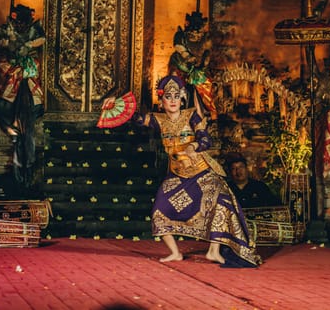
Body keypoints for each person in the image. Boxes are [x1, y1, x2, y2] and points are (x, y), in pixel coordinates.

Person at [103, 76, 260, 267]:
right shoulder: (157, 120)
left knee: (220, 202)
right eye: (168, 96)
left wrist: (193, 147)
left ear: (182, 98)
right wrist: (115, 102)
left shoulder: (192, 115)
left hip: (202, 172)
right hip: (177, 176)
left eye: (176, 96)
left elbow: (205, 140)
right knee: (159, 211)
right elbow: (134, 117)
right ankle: (175, 252)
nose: (172, 100)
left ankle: (214, 251)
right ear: (161, 100)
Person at [0, 4, 45, 187]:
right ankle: (14, 134)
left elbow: (42, 40)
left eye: (24, 22)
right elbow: (1, 41)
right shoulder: (7, 29)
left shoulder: (35, 30)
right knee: (7, 87)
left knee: (30, 88)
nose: (21, 25)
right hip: (13, 66)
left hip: (28, 68)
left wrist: (28, 44)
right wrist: (9, 41)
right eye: (18, 22)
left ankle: (26, 158)